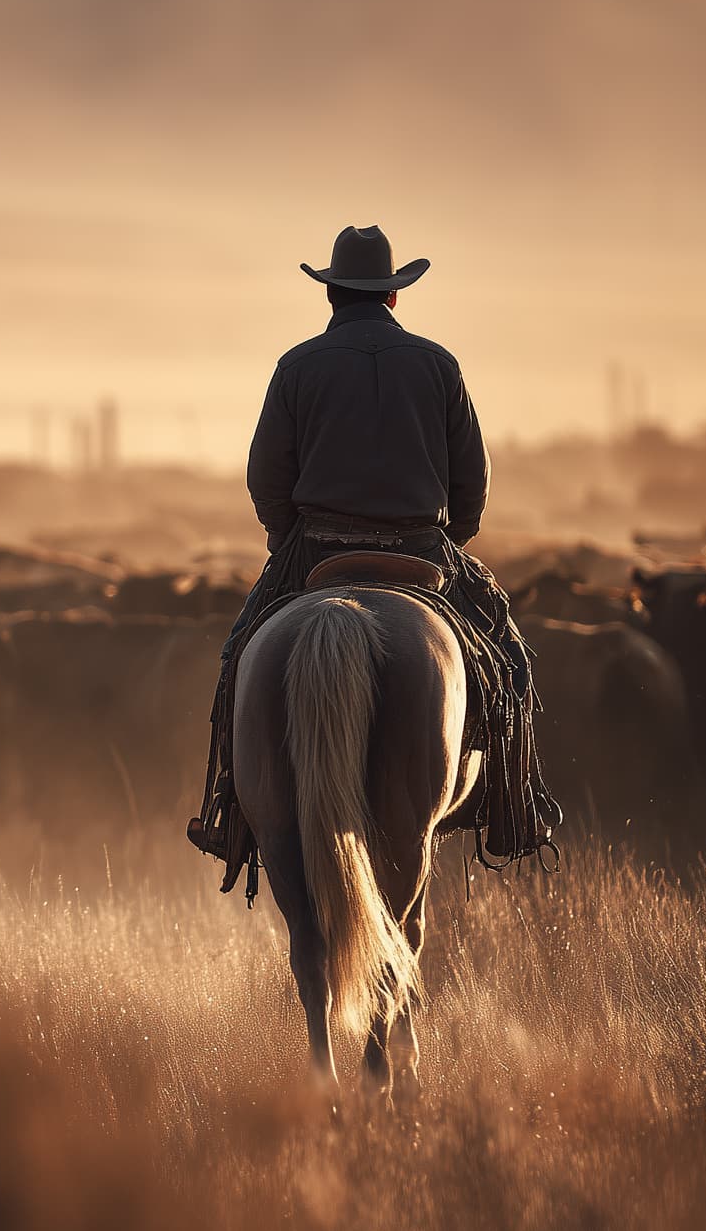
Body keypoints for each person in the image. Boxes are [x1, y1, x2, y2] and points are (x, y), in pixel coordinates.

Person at [186, 224, 560, 865]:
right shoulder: (439, 365)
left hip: (315, 549)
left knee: (237, 660)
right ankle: (515, 807)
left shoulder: (296, 366)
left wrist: (286, 541)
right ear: (393, 297)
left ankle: (228, 813)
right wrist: (451, 540)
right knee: (508, 665)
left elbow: (266, 475)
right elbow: (472, 478)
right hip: (423, 548)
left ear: (331, 295)